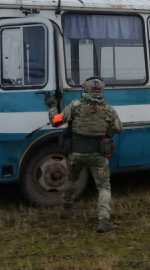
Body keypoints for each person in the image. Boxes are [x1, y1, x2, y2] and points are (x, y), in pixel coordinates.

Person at [47, 77, 124, 233]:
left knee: (72, 179)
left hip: (76, 153)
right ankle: (104, 221)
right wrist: (107, 131)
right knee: (103, 187)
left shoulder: (75, 106)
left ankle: (66, 211)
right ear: (102, 90)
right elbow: (119, 128)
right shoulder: (109, 109)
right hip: (98, 155)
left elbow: (56, 121)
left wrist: (52, 106)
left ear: (85, 89)